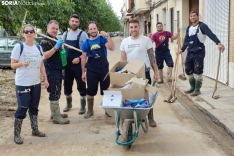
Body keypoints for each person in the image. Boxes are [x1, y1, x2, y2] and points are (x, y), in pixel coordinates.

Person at [10, 24, 49, 144]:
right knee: (22, 108)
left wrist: (45, 78)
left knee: (34, 108)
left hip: (35, 83)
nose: (29, 33)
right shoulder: (19, 47)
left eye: (31, 31)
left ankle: (35, 129)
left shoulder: (38, 48)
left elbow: (41, 64)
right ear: (23, 34)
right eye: (26, 32)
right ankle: (17, 135)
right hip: (23, 83)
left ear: (34, 33)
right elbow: (12, 64)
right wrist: (21, 63)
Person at [120, 19, 158, 127]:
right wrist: (123, 73)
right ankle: (135, 115)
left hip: (144, 72)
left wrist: (156, 72)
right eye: (131, 27)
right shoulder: (125, 42)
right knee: (131, 95)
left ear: (139, 27)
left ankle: (150, 117)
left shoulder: (146, 40)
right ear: (129, 28)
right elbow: (123, 58)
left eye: (135, 27)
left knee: (147, 95)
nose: (133, 29)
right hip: (130, 73)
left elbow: (151, 57)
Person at [177, 10, 225, 96]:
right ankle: (192, 87)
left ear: (198, 16)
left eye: (194, 16)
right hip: (190, 52)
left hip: (199, 52)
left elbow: (211, 34)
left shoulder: (202, 26)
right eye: (191, 16)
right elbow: (186, 41)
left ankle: (197, 89)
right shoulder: (189, 28)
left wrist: (218, 43)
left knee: (197, 70)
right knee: (188, 70)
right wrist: (181, 49)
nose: (192, 17)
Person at [81, 21, 115, 118]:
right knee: (90, 90)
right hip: (91, 70)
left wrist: (108, 36)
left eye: (94, 28)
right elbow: (83, 58)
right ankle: (90, 110)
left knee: (106, 89)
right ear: (88, 30)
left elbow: (112, 48)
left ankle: (107, 110)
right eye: (91, 29)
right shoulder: (86, 43)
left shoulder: (103, 39)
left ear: (97, 29)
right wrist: (83, 72)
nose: (93, 31)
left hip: (103, 69)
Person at [40, 20, 70, 124]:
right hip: (51, 70)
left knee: (57, 92)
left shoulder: (54, 39)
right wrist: (56, 47)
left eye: (57, 29)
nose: (55, 30)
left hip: (58, 70)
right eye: (53, 28)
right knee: (54, 92)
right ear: (47, 28)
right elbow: (44, 56)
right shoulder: (45, 41)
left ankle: (55, 113)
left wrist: (61, 49)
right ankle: (57, 117)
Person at [62, 14, 89, 114]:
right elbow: (62, 49)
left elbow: (87, 51)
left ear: (79, 23)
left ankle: (83, 106)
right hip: (67, 65)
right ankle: (69, 103)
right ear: (69, 22)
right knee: (67, 85)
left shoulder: (83, 34)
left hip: (78, 65)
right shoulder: (65, 34)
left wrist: (79, 58)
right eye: (72, 21)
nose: (74, 23)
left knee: (81, 85)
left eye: (76, 21)